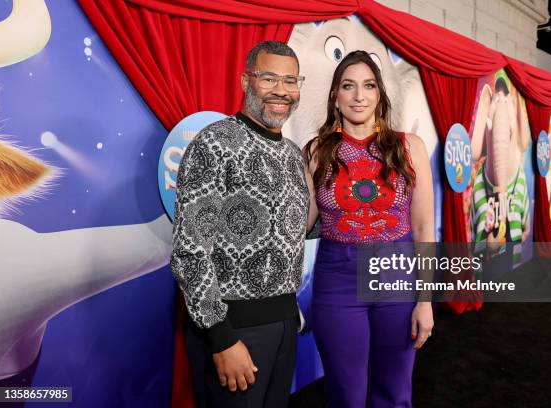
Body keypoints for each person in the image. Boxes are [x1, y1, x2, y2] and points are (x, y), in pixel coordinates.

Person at [171, 41, 308, 408]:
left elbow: (292, 233)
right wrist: (221, 338)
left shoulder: (294, 154)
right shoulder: (214, 143)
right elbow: (190, 251)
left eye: (290, 81)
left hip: (284, 326)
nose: (281, 90)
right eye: (269, 78)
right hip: (235, 333)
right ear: (246, 81)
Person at [303, 50, 435, 408]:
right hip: (337, 280)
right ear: (335, 96)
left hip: (396, 276)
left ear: (379, 94)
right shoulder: (317, 152)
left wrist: (425, 300)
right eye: (348, 86)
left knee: (394, 393)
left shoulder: (409, 147)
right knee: (345, 395)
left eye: (368, 86)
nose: (359, 96)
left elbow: (424, 228)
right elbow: (301, 225)